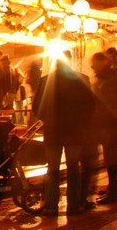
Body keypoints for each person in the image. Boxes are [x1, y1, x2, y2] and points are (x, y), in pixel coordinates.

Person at [33, 53, 94, 215]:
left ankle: (52, 205)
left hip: (53, 131)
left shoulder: (45, 81)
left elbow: (37, 107)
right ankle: (73, 205)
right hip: (74, 131)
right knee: (73, 168)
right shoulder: (81, 80)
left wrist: (48, 118)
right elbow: (90, 106)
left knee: (52, 168)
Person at [90, 51, 117, 203]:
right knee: (115, 157)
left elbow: (106, 104)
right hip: (113, 125)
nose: (92, 68)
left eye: (94, 66)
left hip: (112, 126)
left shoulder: (112, 79)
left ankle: (115, 191)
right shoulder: (111, 77)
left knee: (113, 158)